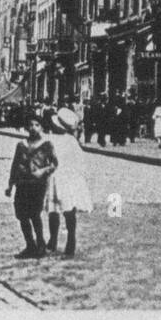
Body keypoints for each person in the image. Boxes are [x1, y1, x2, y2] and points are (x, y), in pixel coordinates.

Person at [5, 114, 58, 259]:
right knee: (22, 215)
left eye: (36, 125)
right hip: (22, 184)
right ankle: (30, 245)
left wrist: (43, 171)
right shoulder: (21, 144)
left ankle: (40, 244)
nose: (33, 128)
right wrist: (10, 185)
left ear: (41, 127)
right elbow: (15, 165)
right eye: (30, 125)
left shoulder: (46, 145)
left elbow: (54, 163)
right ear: (27, 127)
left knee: (35, 214)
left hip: (38, 184)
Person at [43, 108, 94, 257]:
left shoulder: (67, 141)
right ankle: (54, 240)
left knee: (64, 210)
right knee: (56, 210)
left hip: (63, 178)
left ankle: (69, 242)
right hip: (59, 177)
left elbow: (79, 162)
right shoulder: (54, 139)